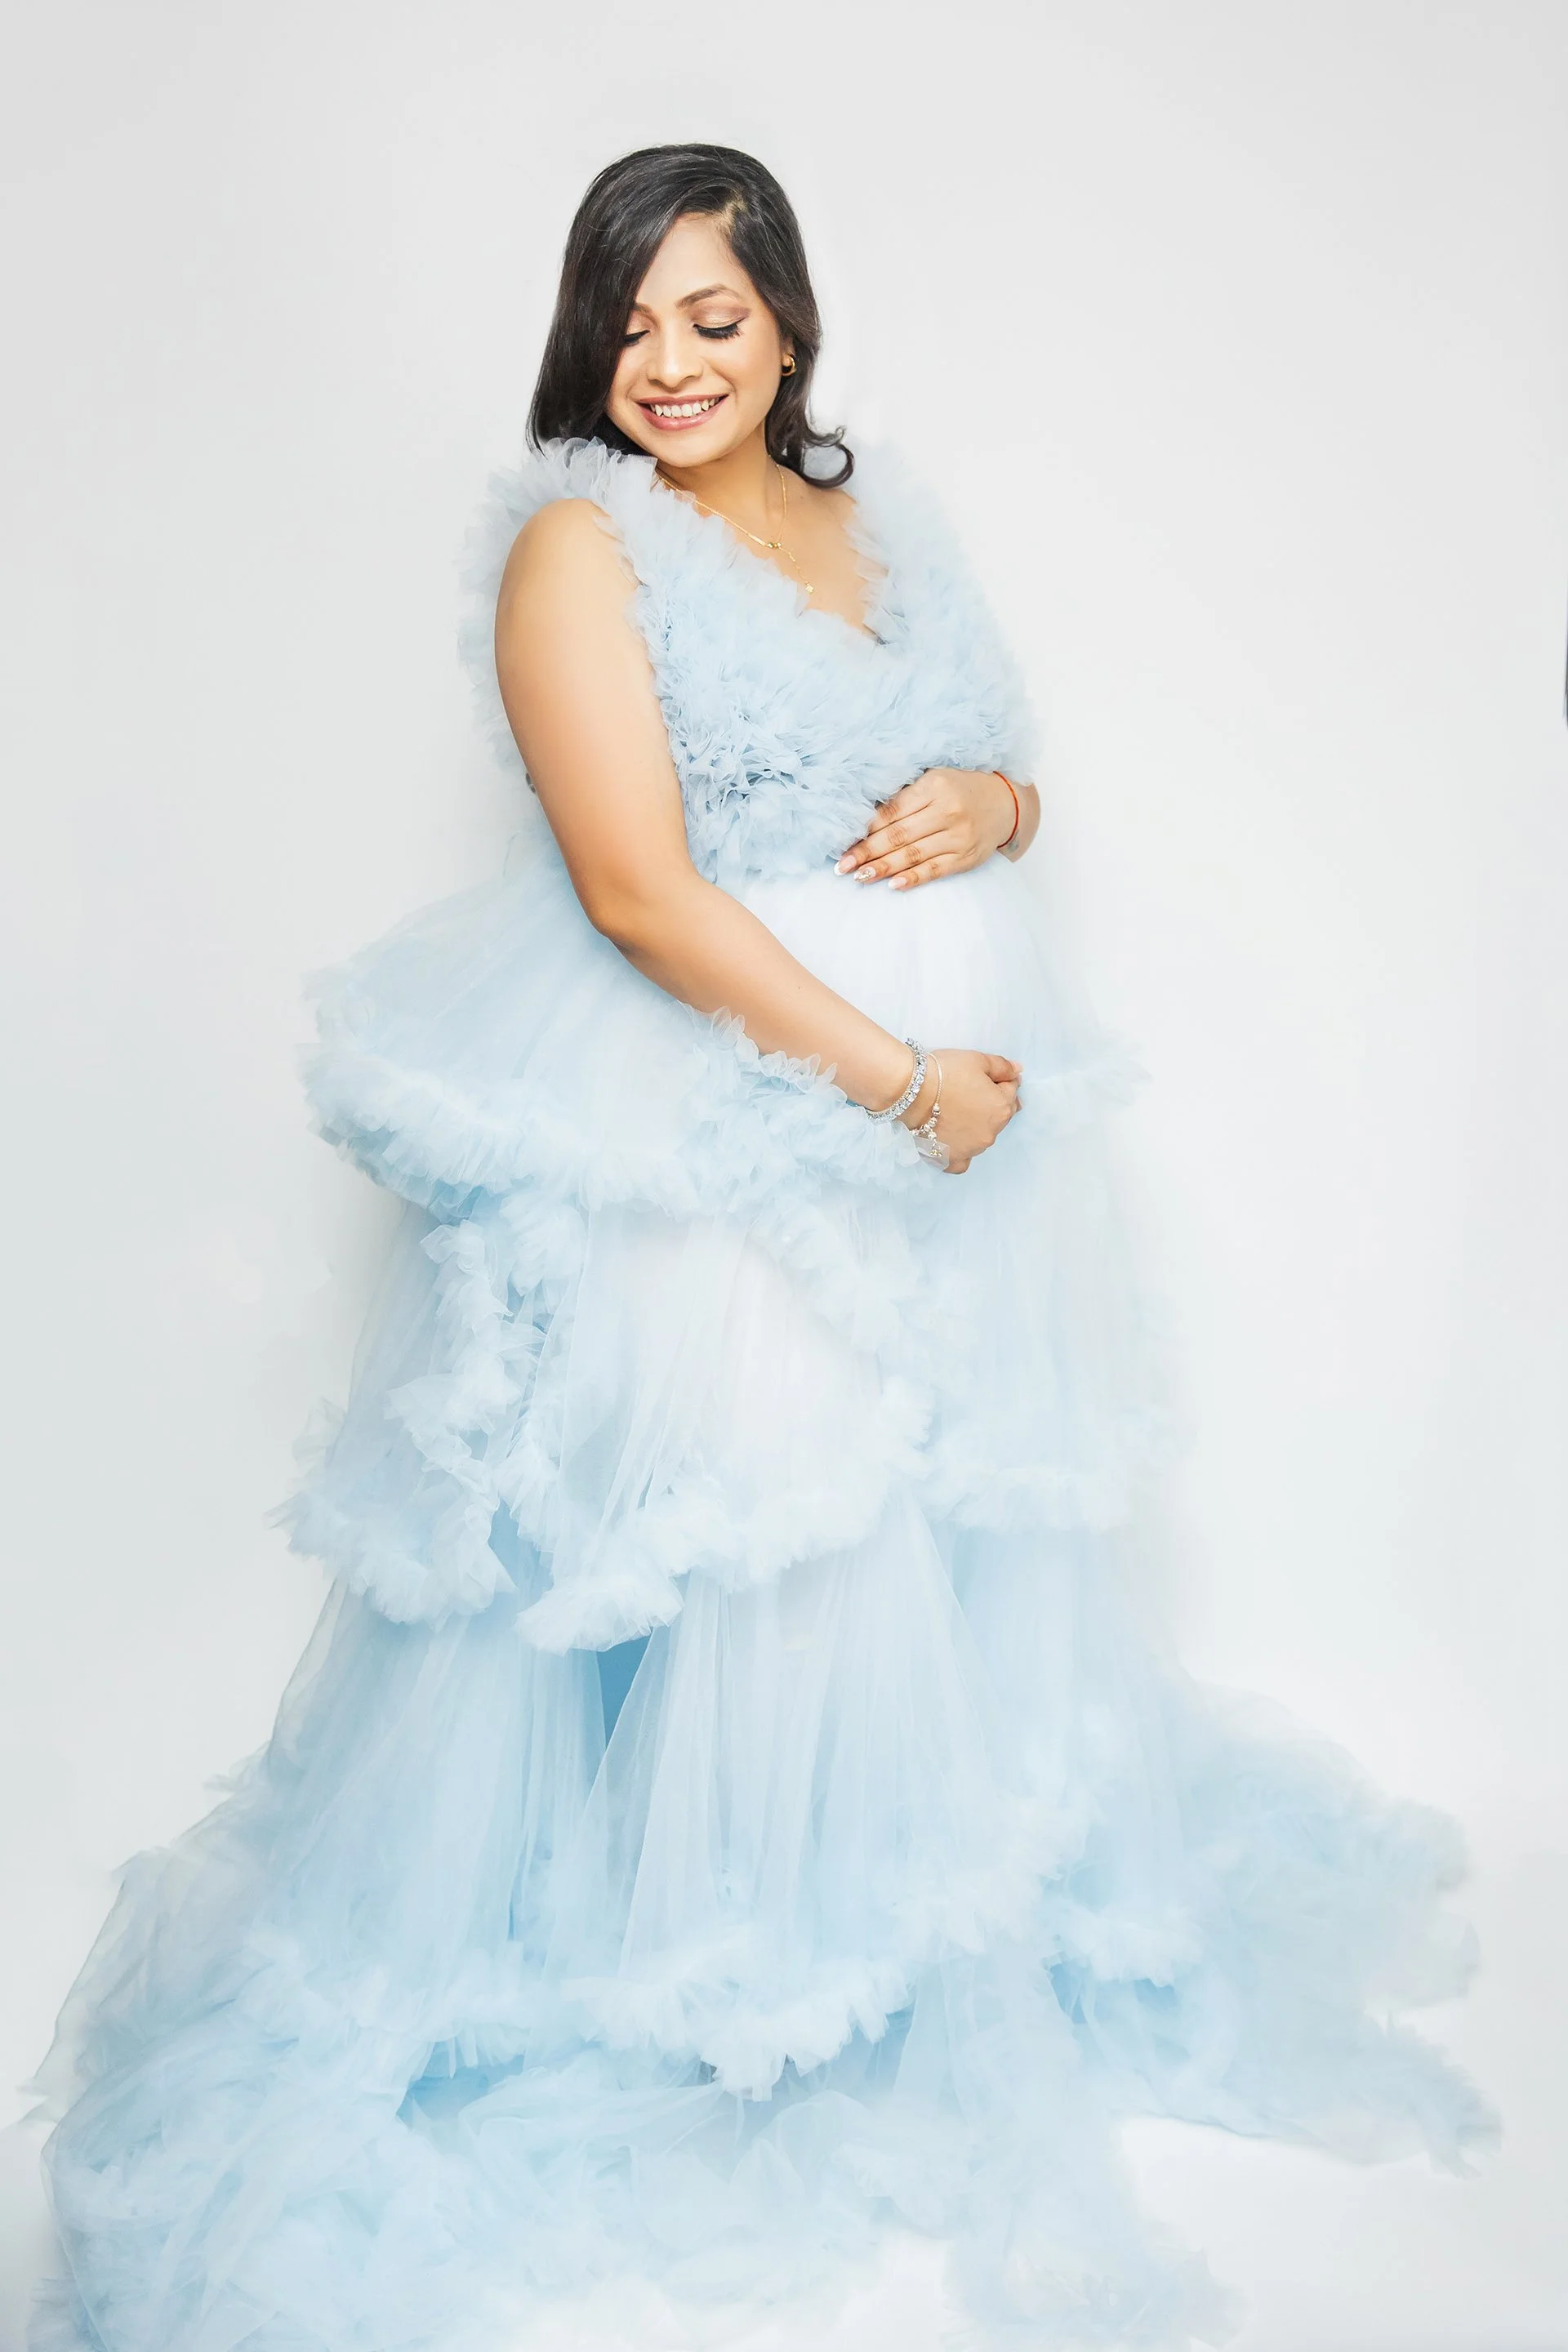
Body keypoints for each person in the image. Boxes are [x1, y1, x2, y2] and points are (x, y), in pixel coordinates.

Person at [30, 143, 1490, 2352]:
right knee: (767, 1541)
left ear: (789, 321)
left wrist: (1002, 810)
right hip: (733, 1111)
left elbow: (994, 759)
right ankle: (737, 1994)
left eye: (713, 316)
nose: (673, 362)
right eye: (630, 324)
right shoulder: (578, 545)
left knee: (921, 1541)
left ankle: (883, 1950)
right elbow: (637, 891)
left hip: (951, 1127)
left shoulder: (873, 514)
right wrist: (900, 1082)